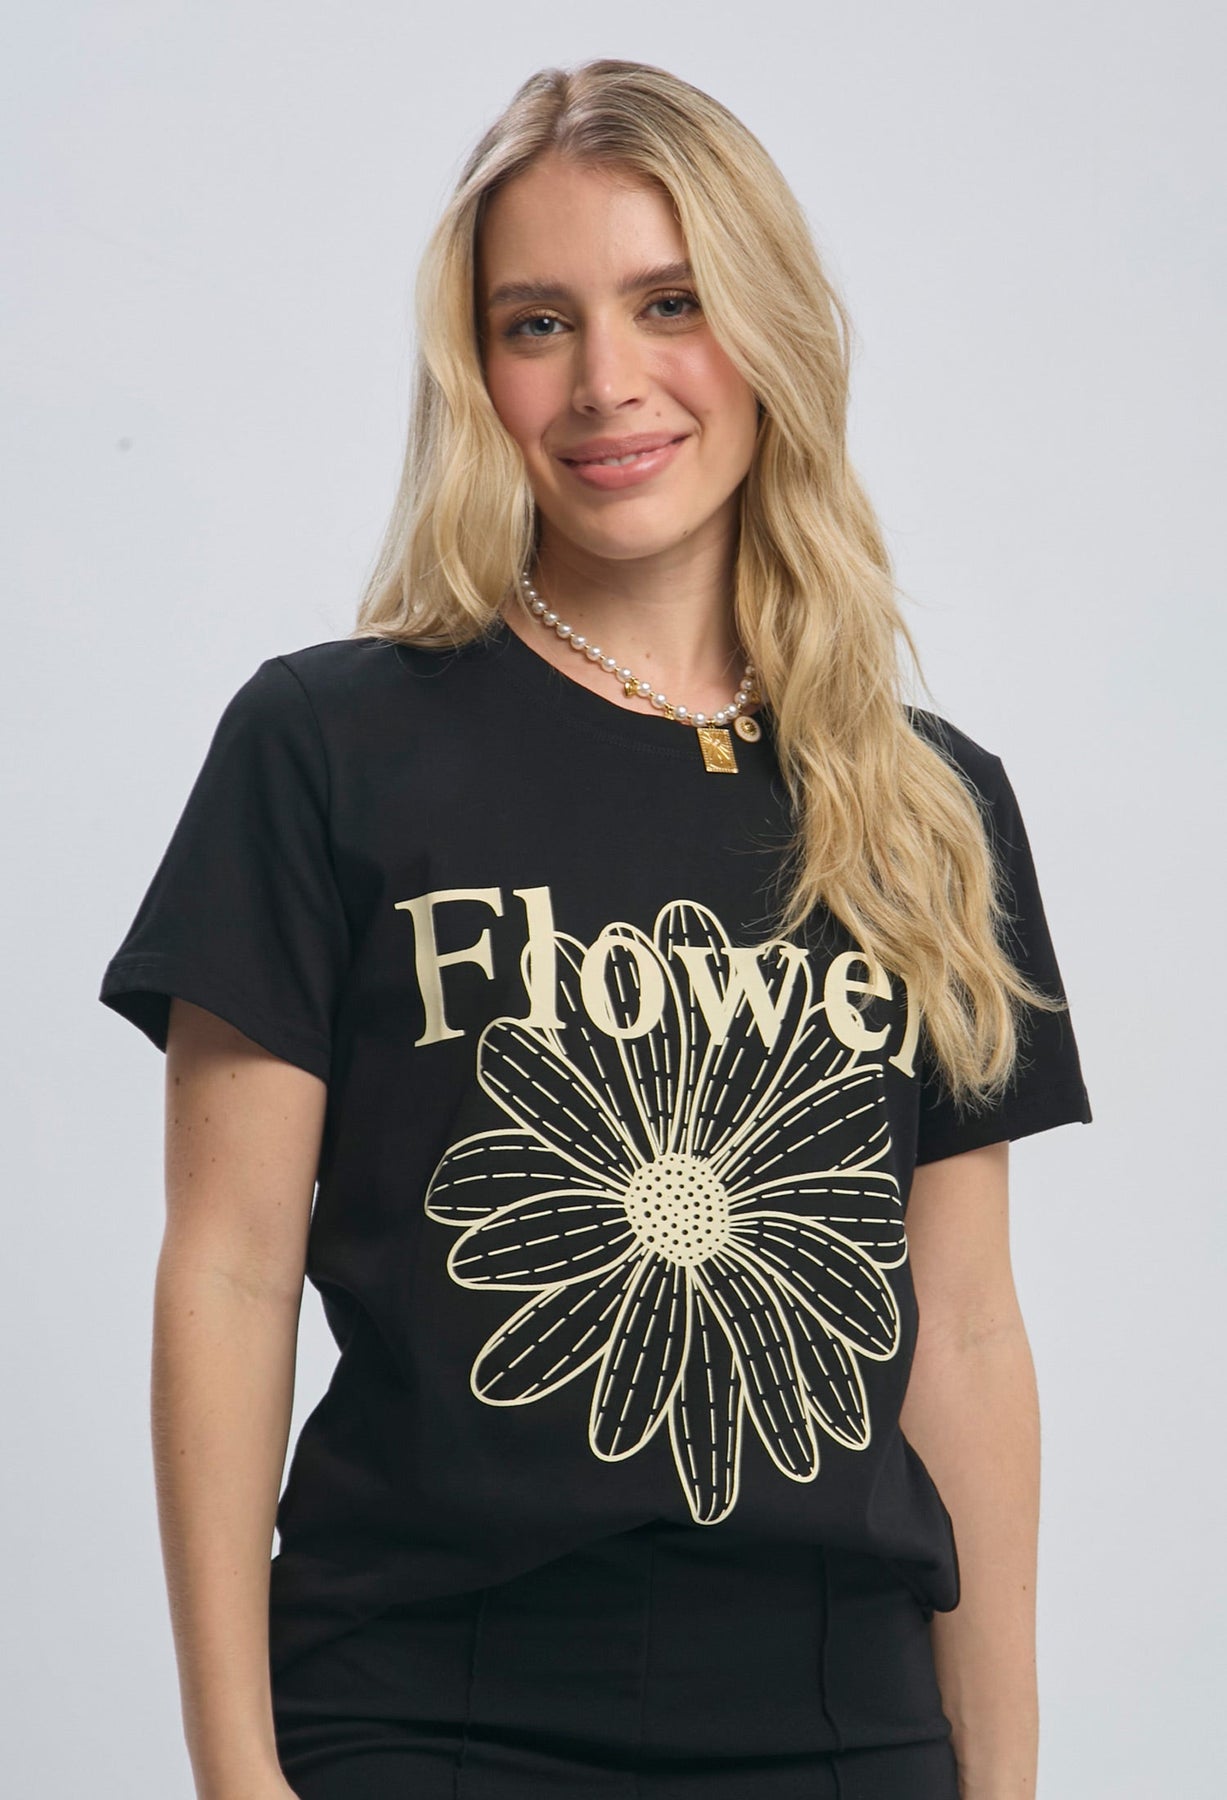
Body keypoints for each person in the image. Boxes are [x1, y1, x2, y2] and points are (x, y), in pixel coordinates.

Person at [98, 56, 1092, 1800]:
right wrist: (236, 1773)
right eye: (537, 323)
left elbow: (963, 1327)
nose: (606, 382)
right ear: (475, 369)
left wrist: (1002, 1779)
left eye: (670, 303)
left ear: (771, 331)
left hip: (842, 1723)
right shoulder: (324, 747)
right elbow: (231, 1272)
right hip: (427, 1710)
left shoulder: (932, 801)